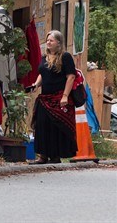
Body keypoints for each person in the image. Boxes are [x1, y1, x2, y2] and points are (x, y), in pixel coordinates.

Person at [29, 30, 77, 164]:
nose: (48, 42)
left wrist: (65, 96)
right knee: (42, 125)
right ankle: (43, 155)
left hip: (59, 98)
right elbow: (42, 74)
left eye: (51, 40)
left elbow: (71, 76)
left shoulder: (65, 57)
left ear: (59, 43)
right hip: (45, 98)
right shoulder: (44, 57)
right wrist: (36, 85)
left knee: (56, 127)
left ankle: (55, 156)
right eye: (47, 40)